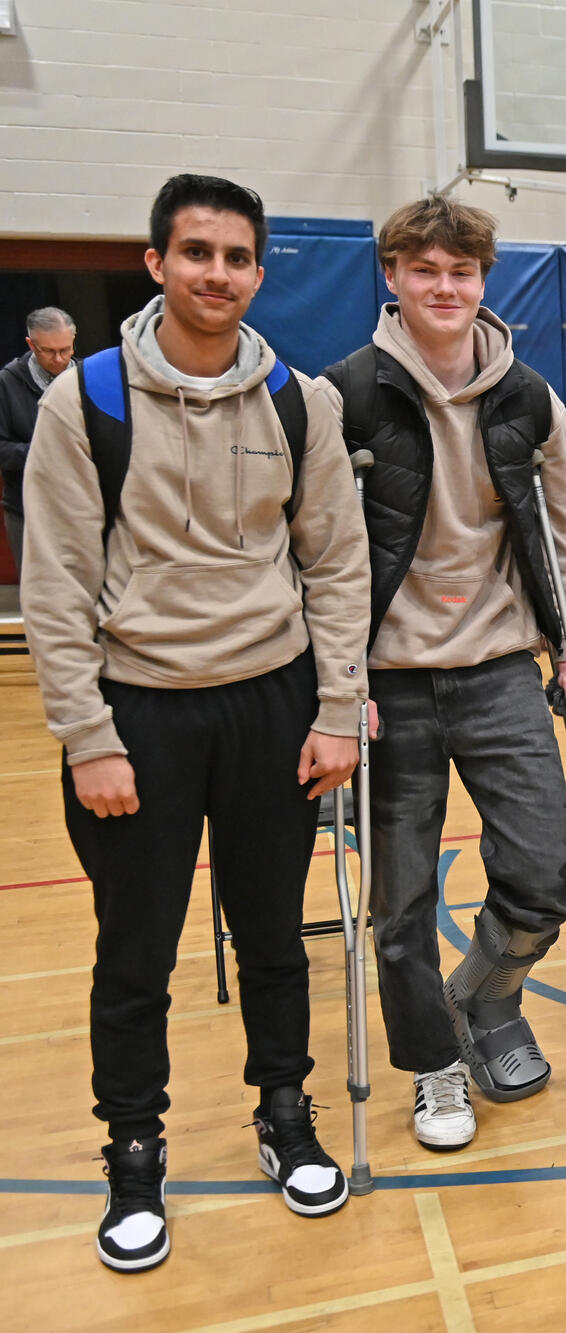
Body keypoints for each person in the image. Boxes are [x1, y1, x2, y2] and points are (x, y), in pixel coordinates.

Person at [21, 174, 369, 1271]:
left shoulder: (300, 401)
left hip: (271, 706)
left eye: (236, 256)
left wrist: (338, 708)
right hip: (140, 714)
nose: (216, 272)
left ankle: (283, 1111)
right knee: (135, 954)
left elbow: (337, 565)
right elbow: (58, 582)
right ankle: (133, 1152)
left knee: (272, 936)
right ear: (157, 263)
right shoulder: (87, 400)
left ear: (259, 273)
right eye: (195, 252)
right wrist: (88, 734)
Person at [320, 194, 566, 1149]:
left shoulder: (527, 396)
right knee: (399, 902)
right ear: (393, 276)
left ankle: (480, 992)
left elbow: (561, 534)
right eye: (425, 269)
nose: (446, 287)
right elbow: (319, 552)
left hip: (499, 668)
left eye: (463, 271)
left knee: (546, 869)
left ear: (483, 281)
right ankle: (435, 1063)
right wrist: (335, 686)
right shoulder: (345, 393)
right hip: (388, 682)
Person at [0, 305, 76, 569]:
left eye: (65, 350)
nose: (59, 359)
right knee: (39, 597)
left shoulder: (89, 379)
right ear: (31, 345)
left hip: (81, 509)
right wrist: (45, 452)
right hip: (27, 511)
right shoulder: (6, 384)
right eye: (50, 351)